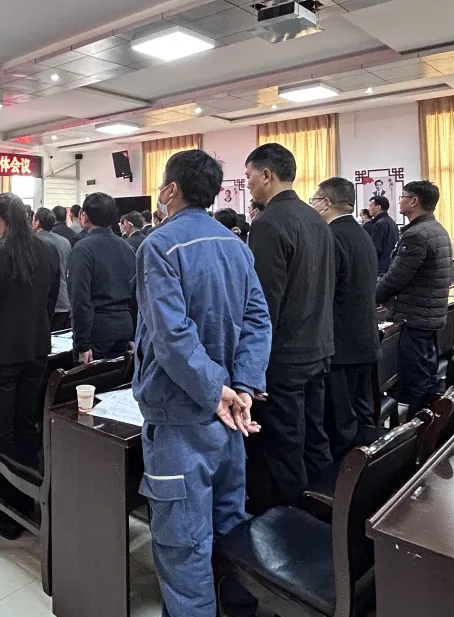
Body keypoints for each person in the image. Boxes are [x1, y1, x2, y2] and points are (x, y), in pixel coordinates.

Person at [133, 149, 271, 617]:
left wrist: (217, 393)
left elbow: (171, 336)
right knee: (230, 525)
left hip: (181, 417)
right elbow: (258, 322)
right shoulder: (237, 245)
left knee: (183, 545)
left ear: (171, 189)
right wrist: (243, 388)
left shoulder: (159, 245)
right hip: (230, 417)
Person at [0, 193, 60, 540]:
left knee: (0, 434)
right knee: (26, 428)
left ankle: (5, 514)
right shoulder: (48, 251)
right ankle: (24, 502)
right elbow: (49, 303)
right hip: (36, 352)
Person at [244, 143, 335, 510]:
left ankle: (287, 525)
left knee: (282, 446)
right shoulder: (316, 219)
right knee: (313, 438)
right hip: (318, 346)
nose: (248, 184)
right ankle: (323, 513)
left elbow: (264, 304)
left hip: (284, 358)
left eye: (249, 176)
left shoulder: (268, 223)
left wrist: (253, 366)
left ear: (267, 175)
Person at [311, 178, 381, 458]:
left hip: (341, 344)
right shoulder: (360, 232)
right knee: (362, 414)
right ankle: (369, 468)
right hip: (364, 339)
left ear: (326, 203)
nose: (312, 205)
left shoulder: (331, 236)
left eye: (314, 200)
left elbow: (323, 291)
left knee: (341, 420)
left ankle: (344, 476)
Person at [376, 181, 453, 416]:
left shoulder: (417, 235)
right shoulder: (435, 228)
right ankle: (430, 421)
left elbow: (396, 277)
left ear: (414, 201)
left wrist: (371, 297)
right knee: (426, 373)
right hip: (428, 314)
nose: (399, 200)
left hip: (415, 316)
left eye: (402, 196)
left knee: (415, 378)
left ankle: (419, 428)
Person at [68, 192, 137, 363]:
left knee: (90, 379)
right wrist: (134, 333)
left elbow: (80, 299)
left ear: (84, 216)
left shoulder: (83, 249)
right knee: (117, 378)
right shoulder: (127, 248)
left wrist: (82, 343)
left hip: (96, 331)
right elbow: (136, 295)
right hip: (125, 326)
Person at [34, 207, 72, 330]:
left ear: (37, 222)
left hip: (43, 301)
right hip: (64, 299)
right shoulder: (65, 242)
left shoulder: (35, 243)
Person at [368, 195, 399, 276]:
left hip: (381, 267)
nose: (368, 209)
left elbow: (375, 248)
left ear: (378, 207)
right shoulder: (391, 221)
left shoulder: (380, 224)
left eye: (370, 206)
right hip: (390, 264)